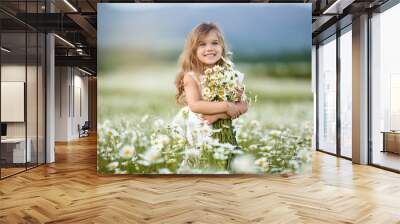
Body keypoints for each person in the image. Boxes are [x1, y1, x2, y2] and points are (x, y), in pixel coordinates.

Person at [173, 22, 248, 153]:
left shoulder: (230, 75)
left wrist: (220, 115)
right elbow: (196, 105)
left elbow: (243, 106)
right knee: (203, 163)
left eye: (215, 43)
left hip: (226, 135)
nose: (210, 48)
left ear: (222, 47)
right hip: (201, 132)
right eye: (202, 44)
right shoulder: (191, 77)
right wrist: (226, 106)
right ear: (193, 50)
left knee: (225, 163)